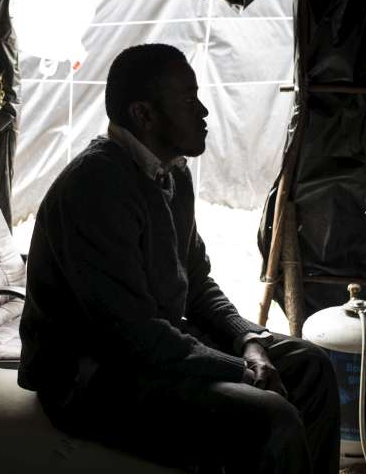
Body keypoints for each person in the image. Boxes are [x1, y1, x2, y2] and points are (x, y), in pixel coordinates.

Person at [18, 43, 339, 474]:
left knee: (312, 368)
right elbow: (131, 336)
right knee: (270, 419)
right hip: (90, 377)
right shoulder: (95, 188)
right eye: (188, 101)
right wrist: (242, 369)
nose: (204, 111)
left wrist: (248, 340)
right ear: (143, 115)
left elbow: (197, 282)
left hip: (154, 350)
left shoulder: (172, 173)